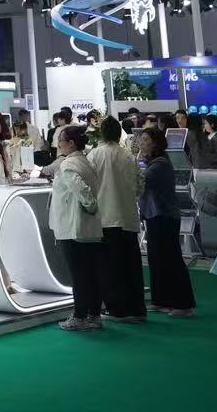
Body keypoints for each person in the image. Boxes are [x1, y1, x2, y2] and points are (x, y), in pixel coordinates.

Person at [89, 116, 146, 322]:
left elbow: (88, 185)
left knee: (110, 267)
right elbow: (140, 185)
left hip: (106, 218)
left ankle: (117, 309)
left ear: (102, 132)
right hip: (128, 217)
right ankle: (137, 309)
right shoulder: (129, 156)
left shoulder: (94, 155)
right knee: (132, 266)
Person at [50, 124, 104, 331]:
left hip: (72, 227)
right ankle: (94, 314)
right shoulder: (87, 161)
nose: (59, 144)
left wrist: (90, 205)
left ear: (71, 143)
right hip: (88, 227)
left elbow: (81, 189)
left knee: (79, 275)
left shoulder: (68, 164)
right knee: (90, 272)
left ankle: (80, 315)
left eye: (61, 141)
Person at [138, 127, 194, 316]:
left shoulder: (160, 164)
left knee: (170, 258)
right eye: (141, 140)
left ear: (155, 143)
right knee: (156, 259)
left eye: (145, 140)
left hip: (164, 216)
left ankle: (183, 304)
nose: (142, 143)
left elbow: (140, 182)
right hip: (154, 215)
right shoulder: (153, 163)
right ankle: (161, 299)